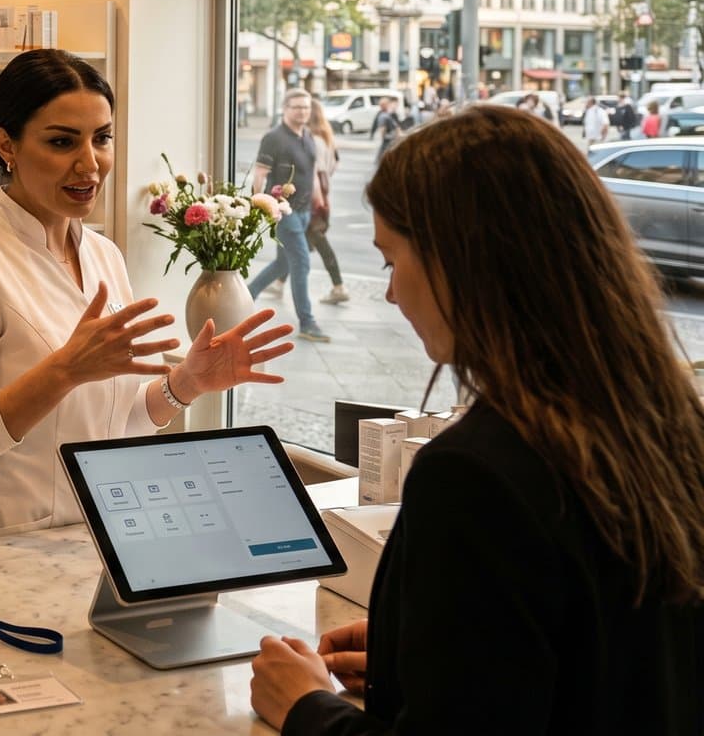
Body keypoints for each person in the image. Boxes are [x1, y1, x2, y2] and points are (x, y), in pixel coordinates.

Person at [249, 106, 704, 735]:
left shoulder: (473, 474)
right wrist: (432, 649)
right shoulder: (669, 421)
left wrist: (304, 705)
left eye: (391, 261)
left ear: (458, 261)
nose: (391, 293)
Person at [0, 51, 293, 546]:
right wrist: (62, 372)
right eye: (62, 141)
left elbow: (116, 424)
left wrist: (185, 383)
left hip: (100, 541)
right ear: (7, 145)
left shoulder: (103, 256)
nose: (90, 164)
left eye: (102, 138)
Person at [247, 89, 332, 342]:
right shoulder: (274, 138)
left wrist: (319, 200)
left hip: (304, 212)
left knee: (283, 263)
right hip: (283, 211)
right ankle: (307, 322)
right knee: (301, 263)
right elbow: (260, 174)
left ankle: (246, 296)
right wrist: (258, 203)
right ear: (285, 108)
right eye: (297, 107)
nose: (302, 111)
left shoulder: (308, 136)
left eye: (306, 107)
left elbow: (312, 172)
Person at [304, 97, 348, 306]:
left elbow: (316, 171)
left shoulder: (313, 140)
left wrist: (317, 197)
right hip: (322, 194)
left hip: (314, 196)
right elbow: (335, 164)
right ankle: (278, 281)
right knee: (300, 242)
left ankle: (339, 286)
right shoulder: (327, 138)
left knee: (316, 239)